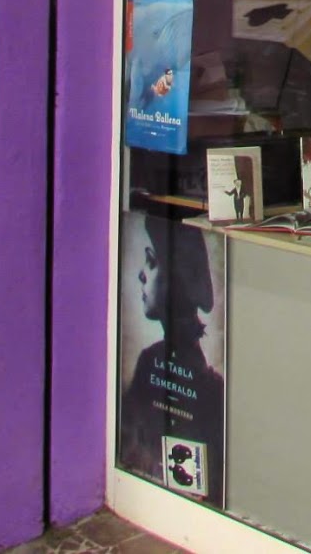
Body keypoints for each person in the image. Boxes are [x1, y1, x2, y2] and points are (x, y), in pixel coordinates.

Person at [118, 214, 225, 505]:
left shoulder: (210, 388)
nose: (141, 275)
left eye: (151, 262)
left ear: (178, 279)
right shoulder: (150, 361)